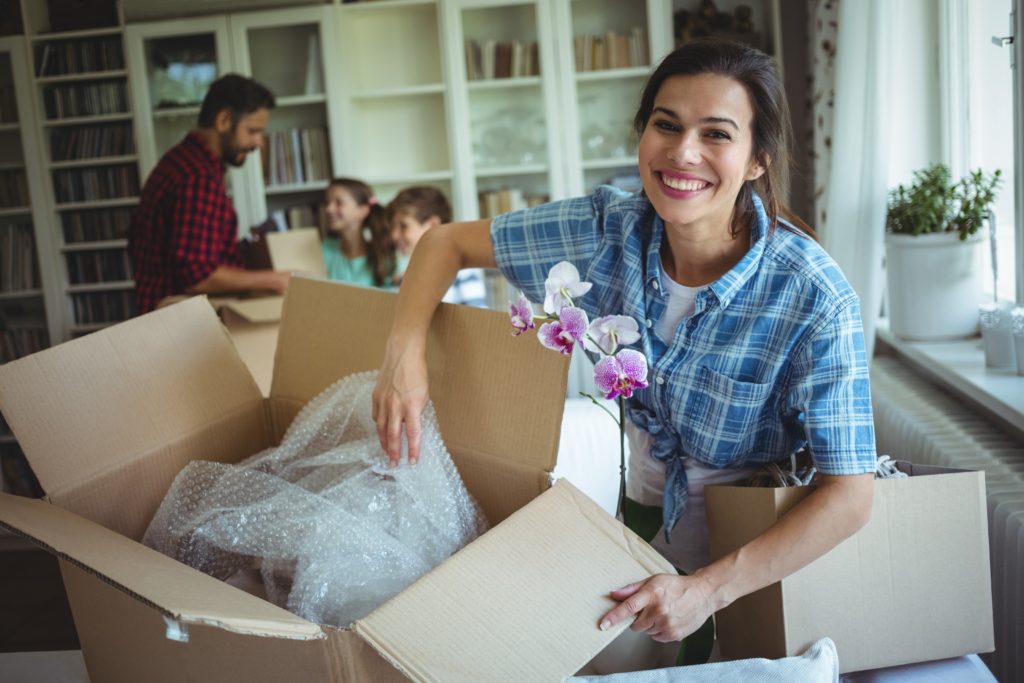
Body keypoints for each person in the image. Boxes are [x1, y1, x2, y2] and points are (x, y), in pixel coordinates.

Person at [371, 38, 877, 648]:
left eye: (716, 134)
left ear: (756, 160)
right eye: (666, 125)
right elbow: (442, 243)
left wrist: (707, 591)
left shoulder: (815, 297)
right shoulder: (603, 228)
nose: (683, 153)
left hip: (752, 555)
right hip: (639, 511)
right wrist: (403, 357)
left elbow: (850, 496)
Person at [130, 74, 290, 314]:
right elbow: (198, 277)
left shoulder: (182, 160)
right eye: (253, 130)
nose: (259, 142)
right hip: (179, 329)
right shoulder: (198, 177)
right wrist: (275, 279)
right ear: (224, 120)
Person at [387, 186, 487, 308]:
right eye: (393, 227)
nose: (394, 235)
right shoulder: (403, 275)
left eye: (403, 226)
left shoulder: (462, 273)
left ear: (432, 224)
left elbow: (477, 320)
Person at [321, 178, 398, 288]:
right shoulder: (325, 249)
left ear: (363, 211)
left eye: (339, 203)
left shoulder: (385, 256)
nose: (328, 209)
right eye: (327, 202)